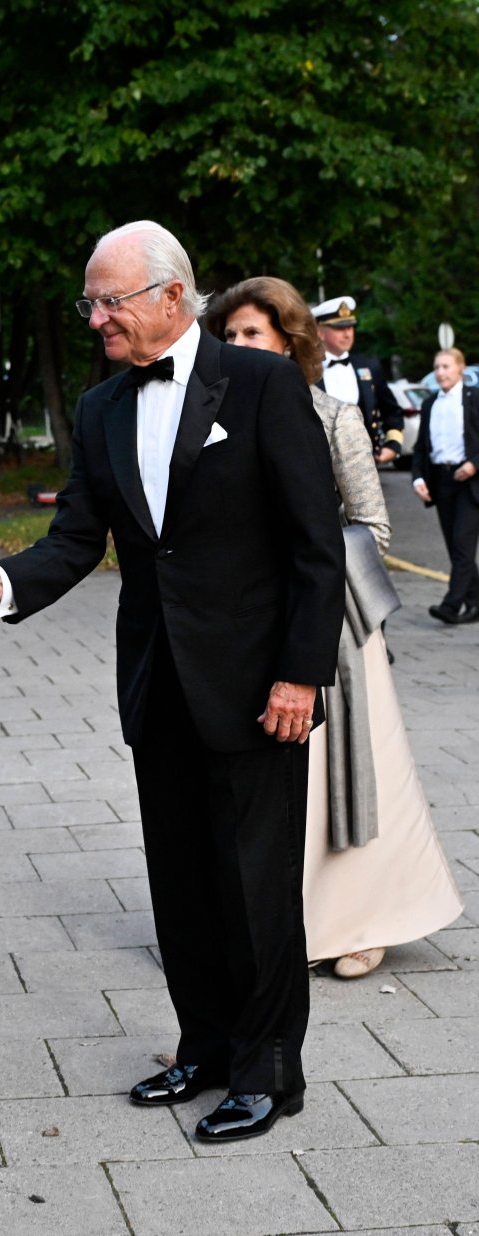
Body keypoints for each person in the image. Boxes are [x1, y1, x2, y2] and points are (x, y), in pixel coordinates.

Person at [0, 222, 345, 1142]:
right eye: (90, 301)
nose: (95, 319)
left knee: (256, 885)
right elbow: (79, 539)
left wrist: (300, 674)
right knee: (183, 881)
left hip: (256, 687)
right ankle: (201, 1046)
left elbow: (315, 548)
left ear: (171, 296)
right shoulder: (99, 408)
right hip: (159, 683)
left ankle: (268, 1069)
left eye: (108, 300)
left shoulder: (263, 384)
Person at [209, 278, 462, 981]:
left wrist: (304, 573)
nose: (237, 348)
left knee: (345, 780)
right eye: (228, 337)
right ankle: (270, 923)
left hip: (333, 630)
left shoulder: (331, 416)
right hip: (243, 626)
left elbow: (371, 525)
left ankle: (362, 920)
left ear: (289, 342)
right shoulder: (211, 418)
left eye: (252, 335)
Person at [412, 348, 479, 625]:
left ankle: (450, 606)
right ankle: (476, 602)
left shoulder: (474, 398)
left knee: (463, 547)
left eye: (446, 367)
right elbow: (420, 448)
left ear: (460, 368)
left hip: (470, 481)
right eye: (437, 367)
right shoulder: (429, 404)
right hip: (442, 481)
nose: (440, 372)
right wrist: (418, 478)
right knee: (455, 548)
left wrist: (474, 464)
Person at [312, 296, 404, 463]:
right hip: (319, 466)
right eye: (339, 328)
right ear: (320, 332)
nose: (347, 334)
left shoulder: (368, 367)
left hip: (364, 464)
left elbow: (392, 412)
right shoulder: (306, 370)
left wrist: (393, 445)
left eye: (350, 327)